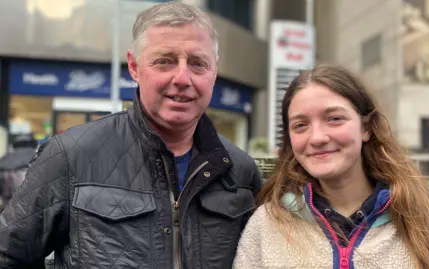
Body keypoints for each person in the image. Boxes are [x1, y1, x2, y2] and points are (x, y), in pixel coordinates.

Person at [0, 2, 262, 269]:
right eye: (164, 61)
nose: (182, 77)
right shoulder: (69, 156)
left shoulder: (240, 171)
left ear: (214, 70)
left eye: (197, 63)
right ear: (135, 67)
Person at [233, 65, 429, 269]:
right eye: (300, 125)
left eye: (334, 119)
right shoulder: (265, 226)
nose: (317, 137)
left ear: (366, 128)